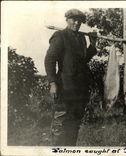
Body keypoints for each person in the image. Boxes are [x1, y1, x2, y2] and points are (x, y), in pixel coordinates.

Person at [44, 9, 97, 146]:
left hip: (79, 89)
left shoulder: (81, 38)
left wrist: (93, 44)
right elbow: (50, 60)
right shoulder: (60, 36)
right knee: (60, 123)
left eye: (79, 20)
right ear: (66, 20)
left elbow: (82, 61)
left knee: (74, 124)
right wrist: (52, 83)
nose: (77, 22)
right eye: (73, 19)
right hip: (64, 87)